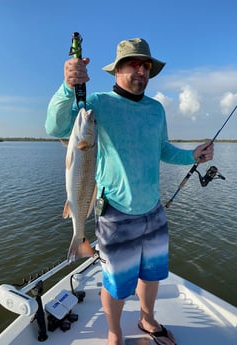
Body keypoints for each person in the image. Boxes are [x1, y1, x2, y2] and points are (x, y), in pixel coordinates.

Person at [46, 38, 214, 345]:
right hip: (114, 212)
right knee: (116, 283)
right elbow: (55, 128)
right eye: (133, 64)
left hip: (153, 209)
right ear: (117, 70)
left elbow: (162, 149)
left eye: (146, 65)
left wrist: (193, 155)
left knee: (152, 275)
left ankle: (147, 319)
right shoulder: (95, 103)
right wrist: (67, 87)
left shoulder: (156, 109)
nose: (141, 71)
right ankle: (114, 331)